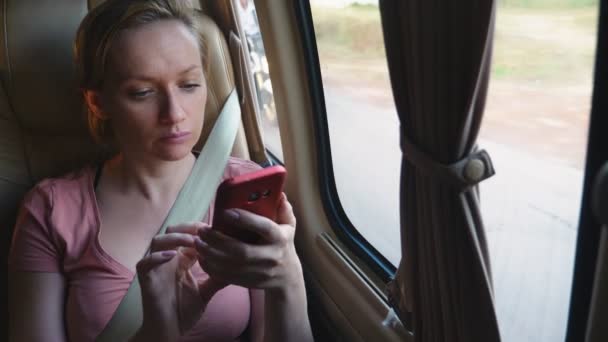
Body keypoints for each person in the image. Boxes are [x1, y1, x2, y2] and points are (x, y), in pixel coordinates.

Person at [7, 1, 313, 341]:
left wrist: (289, 279)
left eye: (189, 84)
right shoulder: (50, 211)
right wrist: (157, 331)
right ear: (97, 102)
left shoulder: (243, 186)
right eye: (143, 92)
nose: (174, 113)